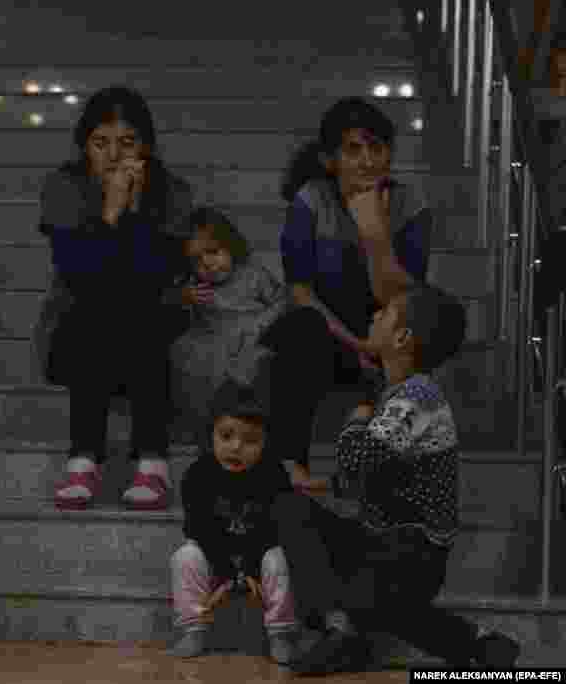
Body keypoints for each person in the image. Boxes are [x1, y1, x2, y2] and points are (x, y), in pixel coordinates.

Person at [271, 284, 521, 674]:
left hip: (412, 553)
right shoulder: (396, 393)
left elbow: (360, 459)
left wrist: (357, 417)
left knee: (375, 596)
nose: (373, 316)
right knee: (289, 508)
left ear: (402, 337)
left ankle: (345, 631)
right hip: (379, 542)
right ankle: (478, 642)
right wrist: (314, 486)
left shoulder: (417, 397)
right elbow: (374, 474)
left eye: (384, 313)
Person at [261, 96, 432, 491]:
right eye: (353, 149)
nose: (367, 160)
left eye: (377, 147)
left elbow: (405, 295)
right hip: (328, 334)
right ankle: (290, 464)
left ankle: (380, 473)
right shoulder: (311, 201)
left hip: (388, 331)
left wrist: (374, 234)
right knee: (300, 329)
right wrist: (357, 343)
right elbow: (300, 291)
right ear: (329, 159)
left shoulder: (409, 203)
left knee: (434, 320)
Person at [34, 85, 193, 511]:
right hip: (78, 328)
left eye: (127, 143)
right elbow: (81, 276)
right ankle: (97, 460)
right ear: (84, 146)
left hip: (151, 323)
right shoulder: (63, 186)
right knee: (98, 310)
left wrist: (136, 209)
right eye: (100, 143)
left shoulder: (172, 191)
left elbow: (158, 275)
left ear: (146, 147)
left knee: (137, 309)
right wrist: (109, 212)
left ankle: (139, 463)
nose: (113, 155)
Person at [169, 365, 303, 664]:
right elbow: (199, 529)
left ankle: (280, 633)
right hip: (215, 553)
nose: (237, 447)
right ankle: (193, 630)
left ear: (266, 442)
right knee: (185, 557)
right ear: (211, 435)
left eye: (251, 440)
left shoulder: (273, 474)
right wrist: (230, 576)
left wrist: (251, 573)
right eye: (226, 435)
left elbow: (275, 528)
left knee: (279, 557)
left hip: (259, 552)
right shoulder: (197, 475)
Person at [168, 207, 289, 435]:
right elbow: (170, 300)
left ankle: (249, 423)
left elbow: (282, 300)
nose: (207, 264)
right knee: (185, 353)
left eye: (213, 252)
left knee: (257, 363)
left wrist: (263, 321)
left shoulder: (252, 274)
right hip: (211, 338)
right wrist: (184, 296)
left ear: (231, 246)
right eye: (196, 260)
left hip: (251, 336)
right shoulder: (195, 285)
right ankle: (206, 426)